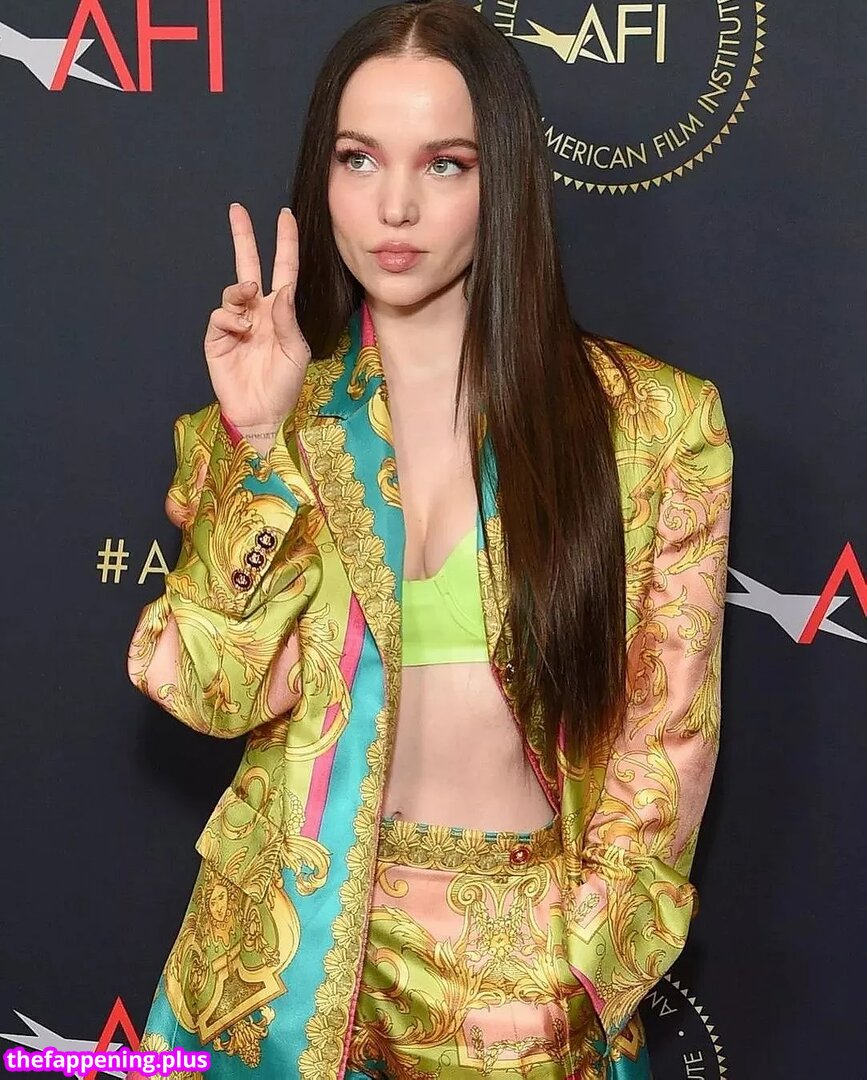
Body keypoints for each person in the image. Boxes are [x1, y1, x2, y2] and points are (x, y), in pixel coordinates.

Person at [125, 2, 733, 1078]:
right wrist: (259, 447)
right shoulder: (266, 418)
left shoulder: (652, 424)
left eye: (444, 164)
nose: (394, 207)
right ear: (322, 175)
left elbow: (668, 728)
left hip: (522, 962)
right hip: (287, 961)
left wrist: (587, 960)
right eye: (359, 159)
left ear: (504, 180)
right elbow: (207, 690)